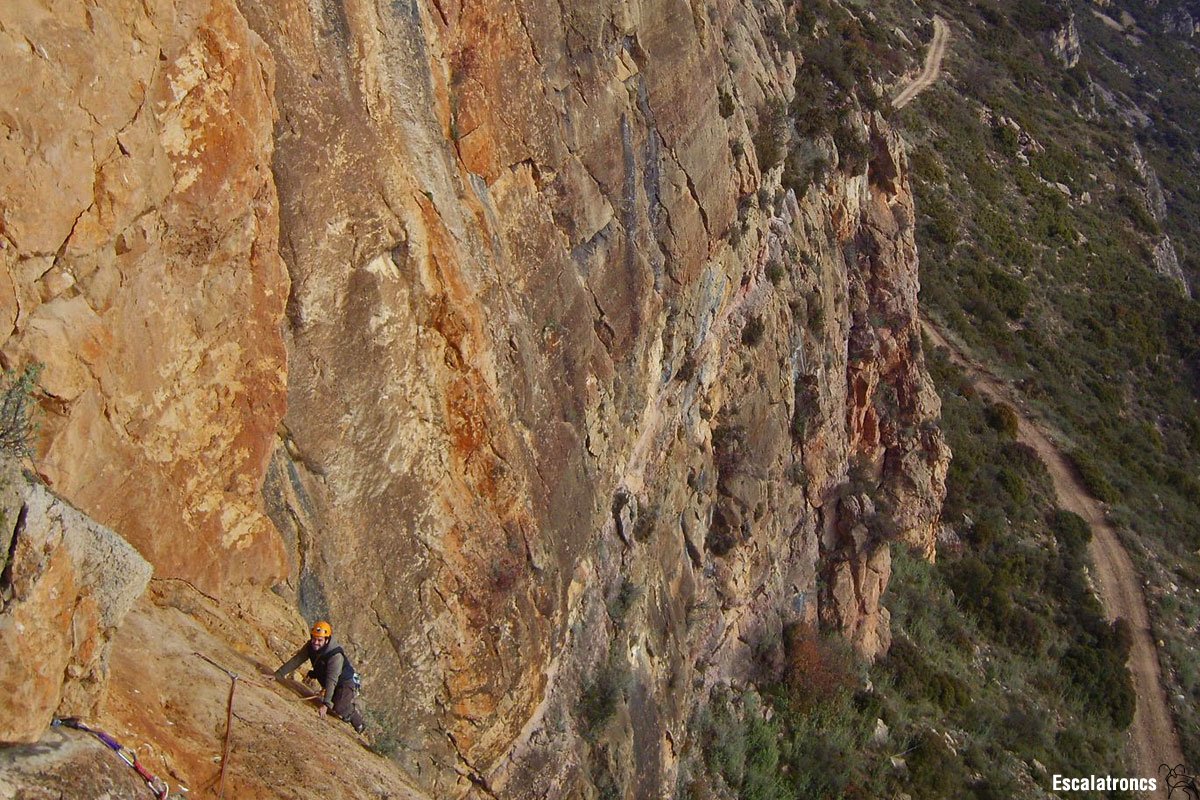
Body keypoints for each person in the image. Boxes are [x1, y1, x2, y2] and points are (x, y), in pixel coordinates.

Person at [273, 620, 366, 733]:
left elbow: (332, 680)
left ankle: (357, 721)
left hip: (344, 683)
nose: (315, 643)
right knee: (334, 701)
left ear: (326, 640)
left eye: (319, 640)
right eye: (314, 639)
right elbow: (297, 659)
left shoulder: (335, 656)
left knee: (339, 707)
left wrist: (326, 704)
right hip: (328, 680)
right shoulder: (310, 646)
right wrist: (278, 674)